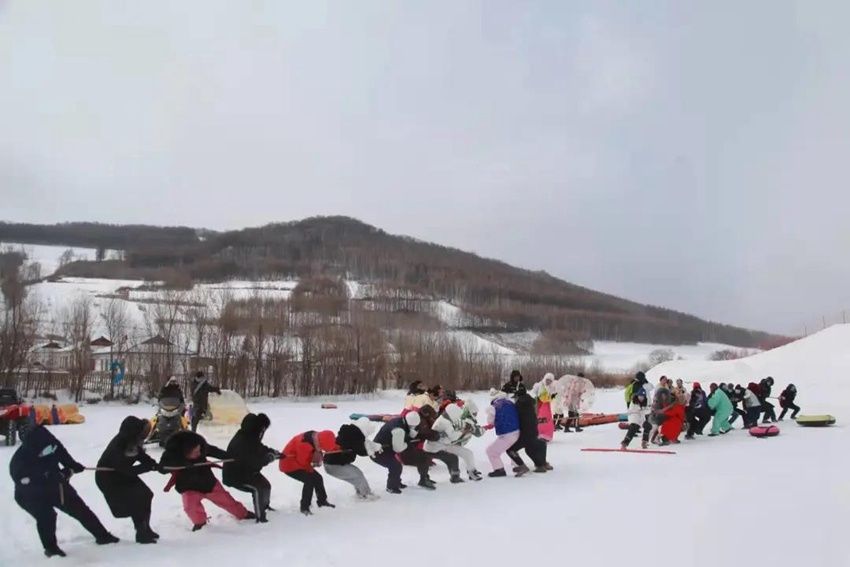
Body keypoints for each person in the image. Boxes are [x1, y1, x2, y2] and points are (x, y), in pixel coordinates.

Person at [10, 426, 118, 557]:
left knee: (80, 509)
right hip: (30, 495)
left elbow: (61, 453)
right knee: (47, 516)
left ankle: (103, 536)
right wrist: (57, 475)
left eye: (50, 446)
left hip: (56, 486)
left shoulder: (51, 444)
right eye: (44, 450)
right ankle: (51, 548)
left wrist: (72, 465)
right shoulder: (19, 462)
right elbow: (29, 483)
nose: (49, 450)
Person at [160, 430, 253, 530]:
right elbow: (162, 469)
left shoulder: (200, 445)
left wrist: (233, 457)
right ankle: (200, 523)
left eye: (199, 450)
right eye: (195, 452)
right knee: (190, 507)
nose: (199, 453)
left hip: (209, 483)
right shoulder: (172, 454)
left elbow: (217, 452)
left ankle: (243, 514)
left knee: (227, 501)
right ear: (184, 452)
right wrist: (182, 463)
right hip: (188, 487)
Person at [95, 416, 162, 544]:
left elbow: (140, 456)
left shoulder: (133, 441)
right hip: (108, 478)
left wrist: (153, 464)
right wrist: (146, 468)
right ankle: (141, 533)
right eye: (141, 433)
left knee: (147, 494)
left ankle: (146, 529)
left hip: (122, 475)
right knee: (137, 499)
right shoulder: (118, 446)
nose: (143, 436)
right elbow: (126, 470)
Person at [223, 413, 279, 523]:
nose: (264, 432)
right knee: (257, 489)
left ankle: (265, 506)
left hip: (248, 472)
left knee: (266, 486)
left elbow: (259, 448)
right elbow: (254, 462)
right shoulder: (242, 442)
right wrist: (268, 459)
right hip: (236, 476)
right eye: (263, 429)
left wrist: (272, 452)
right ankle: (260, 517)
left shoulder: (250, 436)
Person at [279, 430, 338, 515]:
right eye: (322, 448)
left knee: (318, 478)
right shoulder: (304, 445)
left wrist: (339, 447)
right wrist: (315, 463)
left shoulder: (316, 438)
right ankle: (304, 507)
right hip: (289, 465)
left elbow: (329, 445)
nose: (322, 450)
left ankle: (322, 501)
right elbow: (303, 463)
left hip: (300, 462)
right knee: (309, 481)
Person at [424, 402, 484, 481]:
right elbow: (453, 437)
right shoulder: (445, 422)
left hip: (443, 444)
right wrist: (464, 431)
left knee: (468, 453)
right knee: (454, 457)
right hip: (436, 448)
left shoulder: (444, 419)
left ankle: (471, 471)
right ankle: (456, 476)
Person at [324, 418, 381, 500]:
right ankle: (366, 494)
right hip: (334, 465)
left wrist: (374, 446)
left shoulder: (350, 433)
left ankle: (361, 493)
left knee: (355, 475)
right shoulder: (354, 436)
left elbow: (363, 443)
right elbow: (362, 451)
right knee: (358, 475)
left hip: (331, 463)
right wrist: (374, 449)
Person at [371, 412, 423, 493]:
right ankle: (391, 487)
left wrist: (411, 434)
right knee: (395, 466)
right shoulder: (398, 430)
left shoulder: (400, 420)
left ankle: (396, 483)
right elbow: (398, 448)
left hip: (386, 449)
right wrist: (407, 444)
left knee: (396, 466)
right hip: (377, 452)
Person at [411, 405, 461, 482]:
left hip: (428, 446)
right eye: (430, 415)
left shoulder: (426, 420)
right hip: (428, 447)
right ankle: (424, 480)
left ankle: (453, 475)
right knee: (452, 458)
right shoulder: (422, 422)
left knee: (451, 458)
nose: (432, 417)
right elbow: (428, 434)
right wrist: (438, 435)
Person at [508, 383, 550, 473]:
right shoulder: (530, 402)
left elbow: (514, 418)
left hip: (525, 434)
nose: (515, 399)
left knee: (510, 449)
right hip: (534, 432)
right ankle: (543, 464)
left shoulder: (519, 405)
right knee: (538, 445)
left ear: (518, 396)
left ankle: (525, 466)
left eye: (515, 397)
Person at [484, 389, 521, 477]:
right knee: (511, 448)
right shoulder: (510, 402)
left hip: (507, 434)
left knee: (491, 451)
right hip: (517, 432)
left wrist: (492, 423)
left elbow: (490, 421)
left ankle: (499, 470)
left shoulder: (494, 407)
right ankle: (519, 465)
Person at [531, 373, 557, 441]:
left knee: (547, 421)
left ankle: (546, 435)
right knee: (541, 421)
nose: (548, 382)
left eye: (550, 381)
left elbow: (548, 398)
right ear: (545, 379)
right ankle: (540, 435)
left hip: (546, 407)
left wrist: (553, 396)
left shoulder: (550, 387)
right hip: (540, 406)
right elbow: (543, 398)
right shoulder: (541, 386)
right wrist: (551, 397)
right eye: (547, 380)